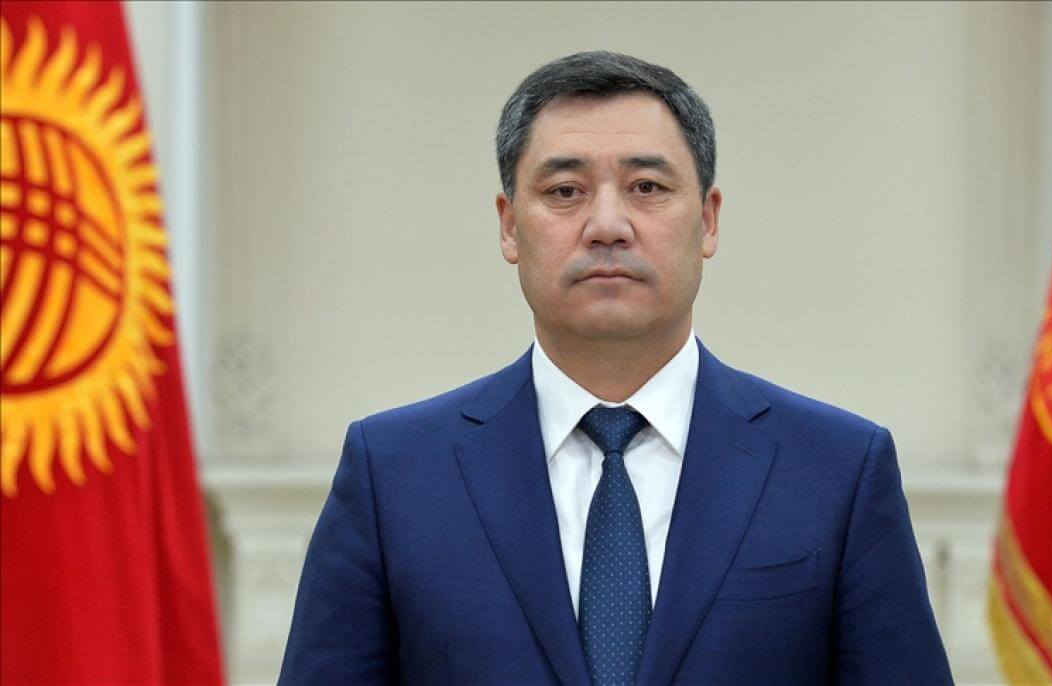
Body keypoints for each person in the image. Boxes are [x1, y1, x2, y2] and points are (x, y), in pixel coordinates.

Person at [280, 51, 952, 685]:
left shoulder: (838, 469)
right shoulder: (393, 473)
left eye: (647, 187)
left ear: (708, 220)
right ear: (510, 226)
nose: (607, 225)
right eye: (566, 190)